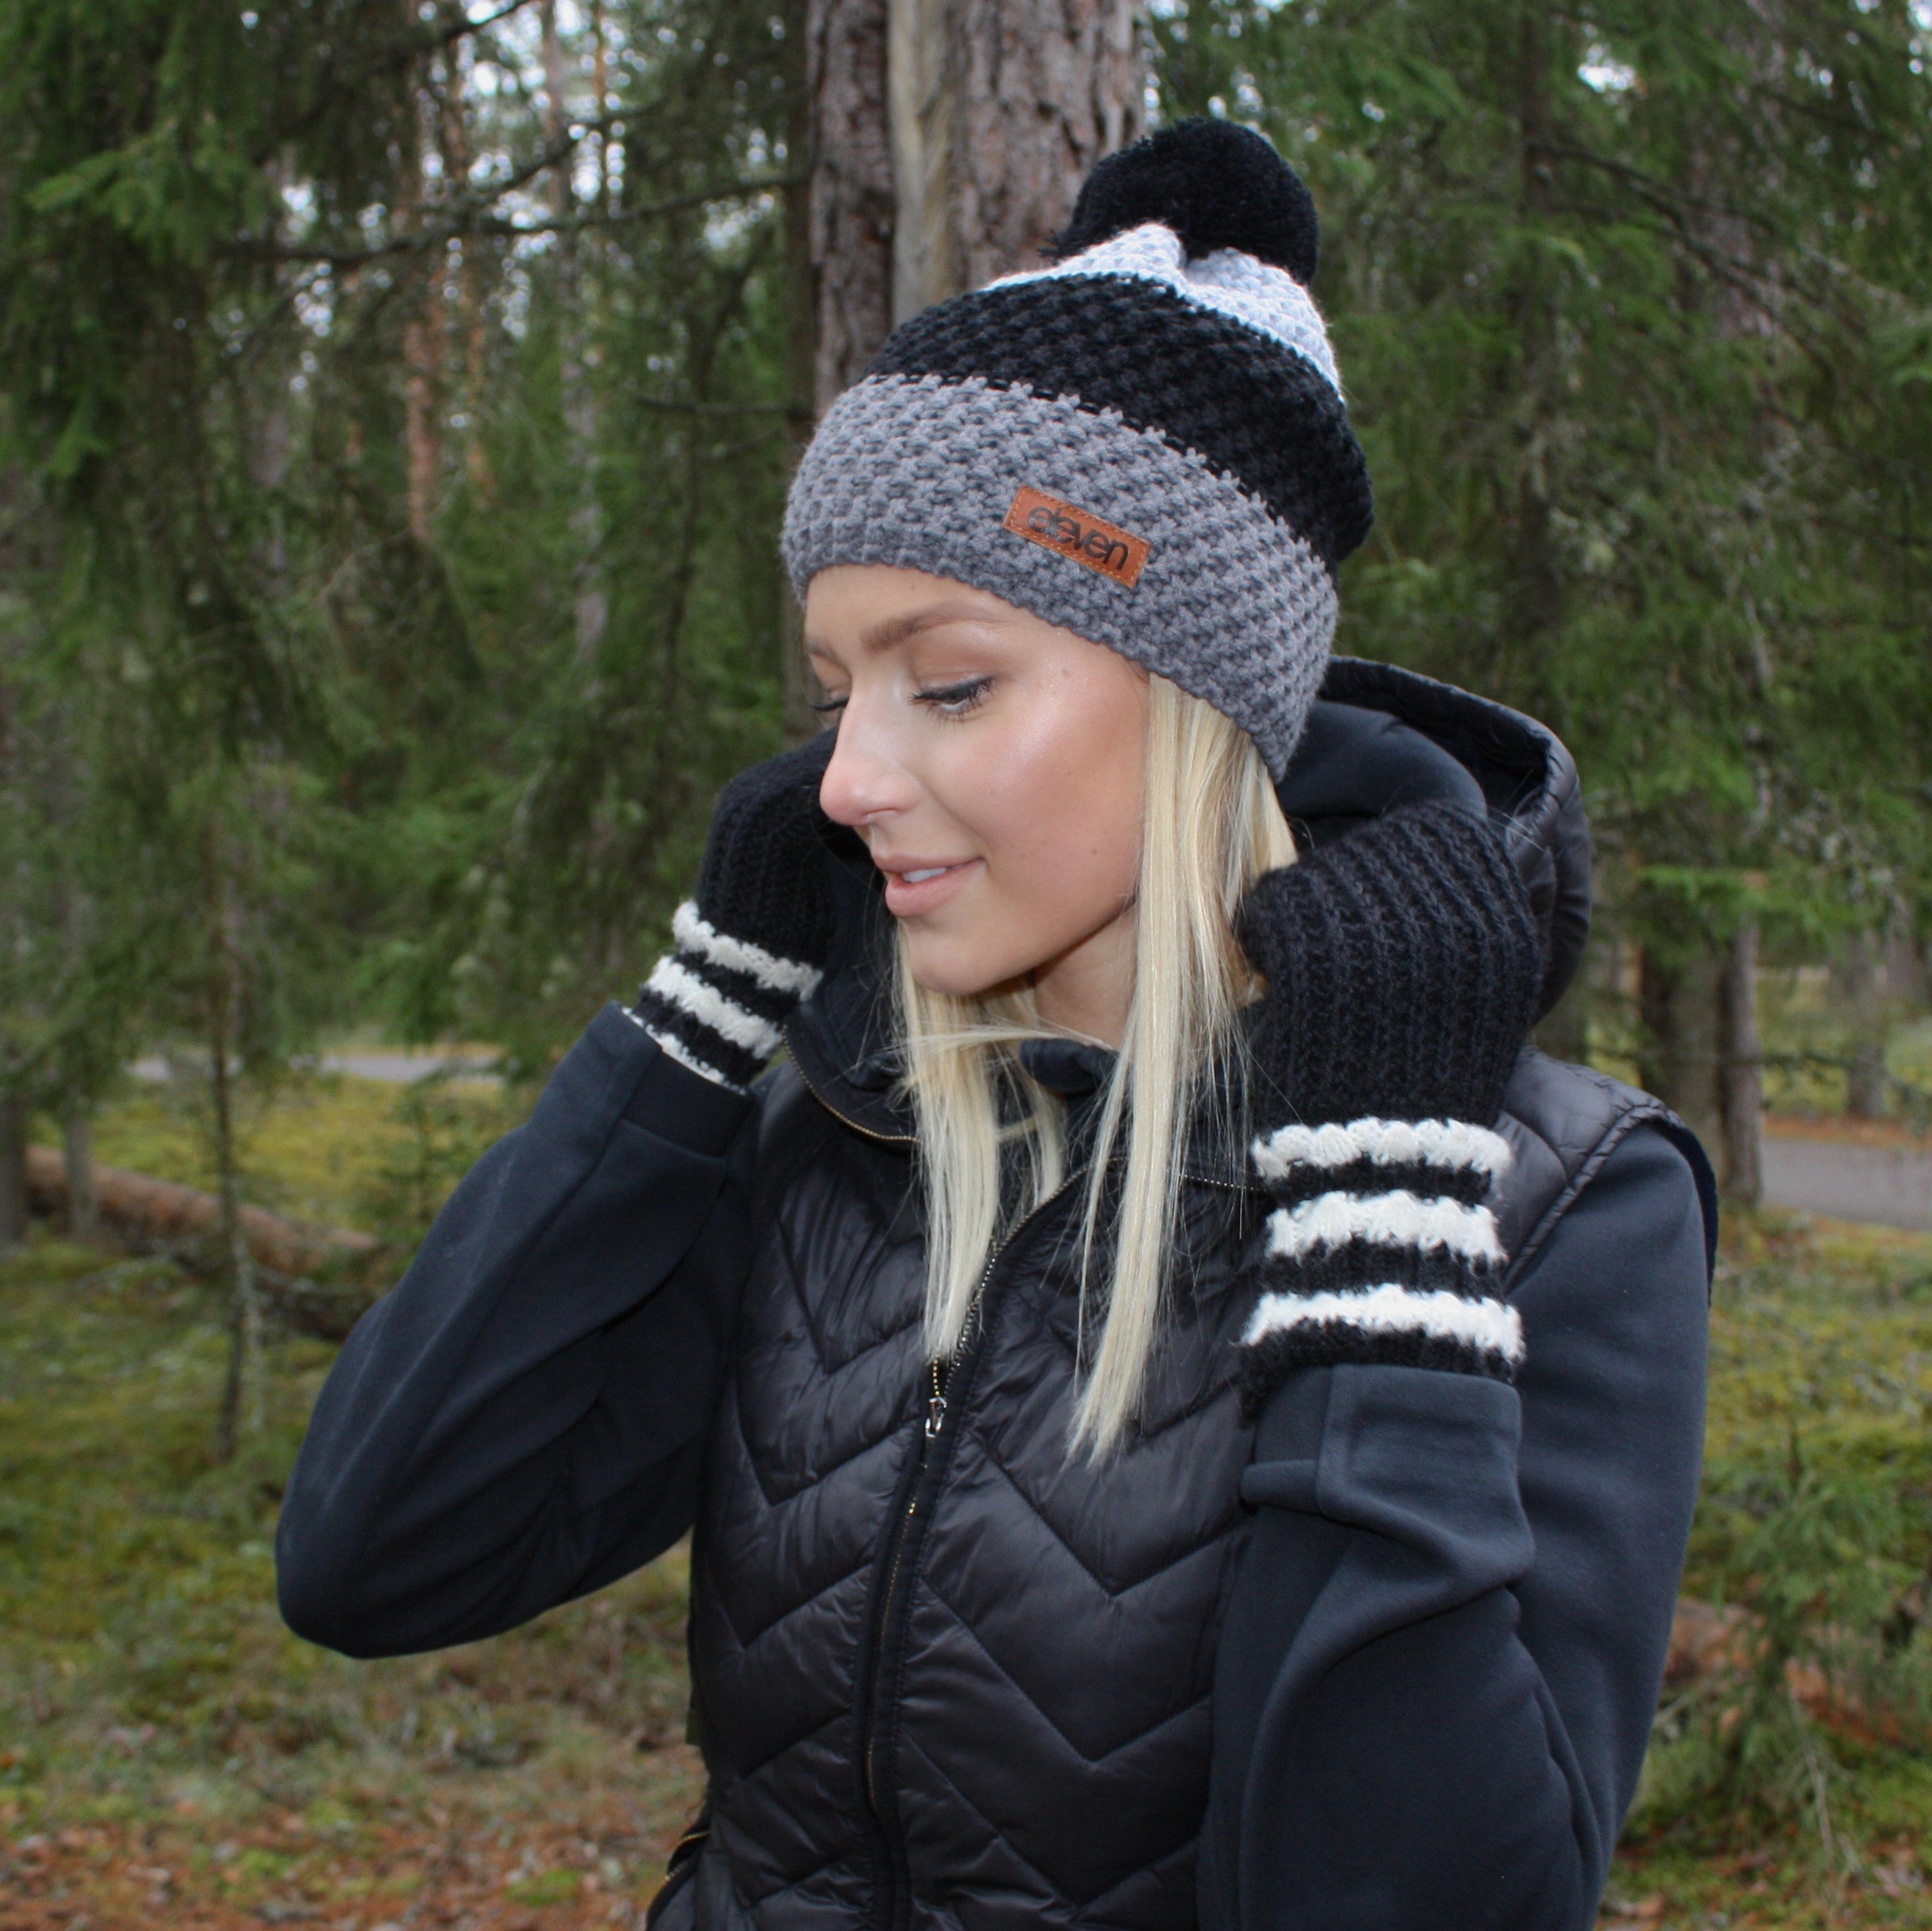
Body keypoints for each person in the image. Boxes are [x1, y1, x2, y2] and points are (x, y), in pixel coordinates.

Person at [277, 120, 1715, 1931]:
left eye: (948, 682)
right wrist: (697, 1024)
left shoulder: (1552, 1202)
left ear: (1196, 699)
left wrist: (1377, 1209)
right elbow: (376, 1556)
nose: (845, 780)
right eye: (837, 692)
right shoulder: (845, 1123)